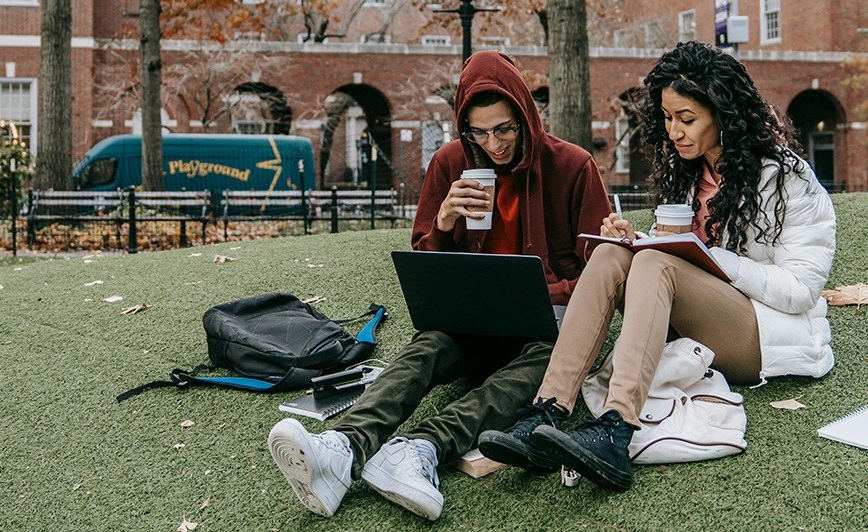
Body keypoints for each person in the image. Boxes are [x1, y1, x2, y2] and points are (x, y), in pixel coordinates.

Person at [266, 50, 610, 521]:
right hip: (471, 324)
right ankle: (342, 448)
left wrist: (542, 293)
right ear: (463, 127)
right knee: (427, 346)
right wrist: (445, 221)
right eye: (479, 132)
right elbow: (426, 264)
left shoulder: (572, 165)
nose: (494, 144)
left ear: (526, 117)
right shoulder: (450, 162)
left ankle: (420, 448)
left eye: (505, 129)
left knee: (544, 363)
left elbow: (600, 273)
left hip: (545, 327)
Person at [479, 41, 835, 490]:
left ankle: (616, 426)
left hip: (762, 332)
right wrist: (639, 240)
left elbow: (801, 289)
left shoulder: (786, 177)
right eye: (667, 118)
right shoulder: (689, 173)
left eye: (687, 119)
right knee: (612, 253)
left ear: (724, 115)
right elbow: (679, 256)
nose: (674, 132)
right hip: (693, 319)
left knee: (654, 265)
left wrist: (706, 258)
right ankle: (546, 411)